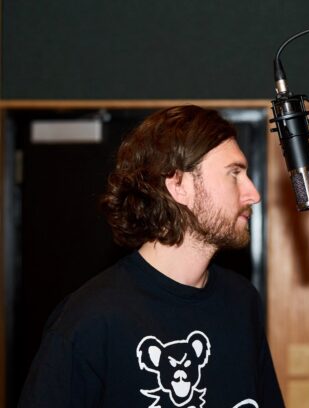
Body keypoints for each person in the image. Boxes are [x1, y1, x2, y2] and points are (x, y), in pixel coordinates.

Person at [19, 105, 284, 408]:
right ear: (179, 186)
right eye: (234, 174)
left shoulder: (242, 301)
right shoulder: (90, 319)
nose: (253, 193)